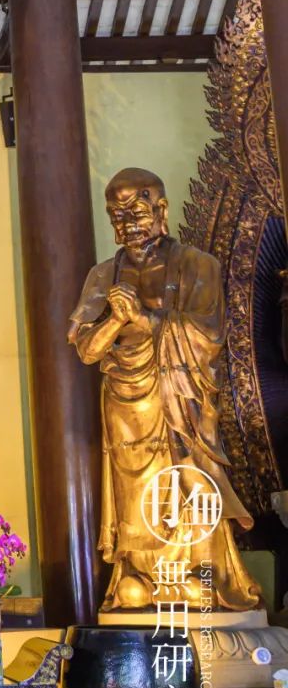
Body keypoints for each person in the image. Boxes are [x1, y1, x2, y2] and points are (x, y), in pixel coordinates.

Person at [68, 167, 260, 611]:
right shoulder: (103, 274)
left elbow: (209, 334)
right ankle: (143, 578)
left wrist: (142, 319)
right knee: (135, 494)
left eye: (137, 212)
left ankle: (201, 576)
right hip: (125, 405)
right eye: (117, 215)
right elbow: (86, 349)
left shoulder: (198, 264)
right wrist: (116, 320)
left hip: (181, 397)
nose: (127, 224)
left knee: (191, 483)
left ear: (161, 209)